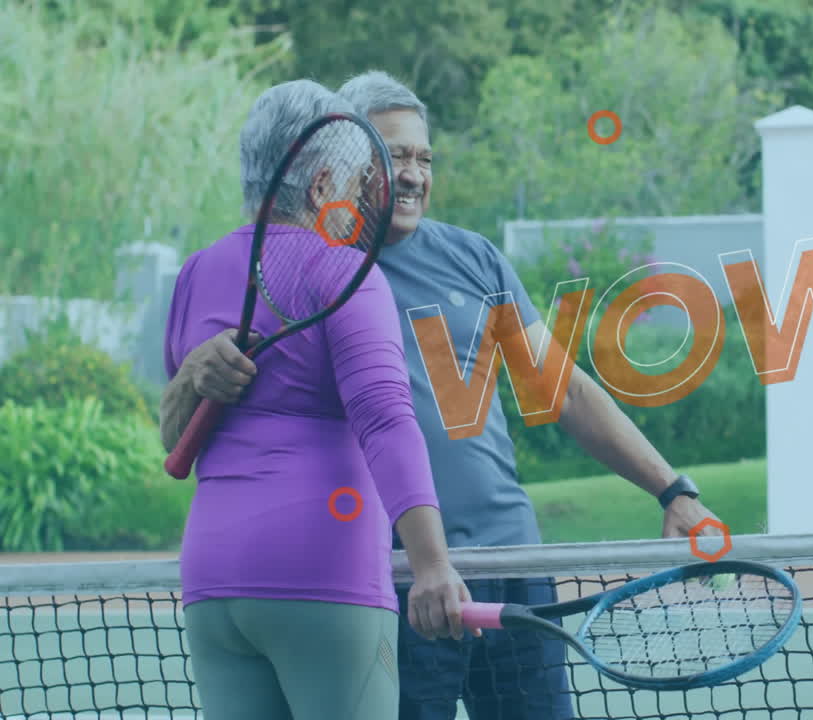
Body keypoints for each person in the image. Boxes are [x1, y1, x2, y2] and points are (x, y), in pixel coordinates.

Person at [161, 70, 724, 720]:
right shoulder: (309, 267)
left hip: (512, 565)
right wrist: (194, 374)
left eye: (424, 158)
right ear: (347, 164)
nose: (412, 175)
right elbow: (211, 429)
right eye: (393, 155)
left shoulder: (474, 259)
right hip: (399, 581)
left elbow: (565, 390)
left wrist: (672, 490)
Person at [159, 79, 474, 720]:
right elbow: (386, 420)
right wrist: (432, 566)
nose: (363, 198)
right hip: (323, 572)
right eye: (357, 180)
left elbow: (174, 439)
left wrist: (191, 375)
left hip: (213, 582)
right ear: (324, 183)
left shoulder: (195, 271)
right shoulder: (347, 271)